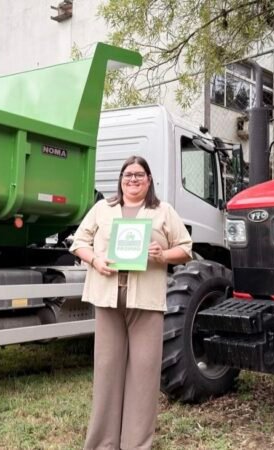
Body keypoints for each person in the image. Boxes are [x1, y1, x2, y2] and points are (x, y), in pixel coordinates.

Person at [70, 155, 193, 450]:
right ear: (121, 179)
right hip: (108, 297)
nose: (133, 180)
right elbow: (79, 242)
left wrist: (162, 255)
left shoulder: (163, 211)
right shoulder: (103, 209)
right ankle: (102, 443)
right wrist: (97, 261)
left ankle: (136, 444)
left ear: (149, 180)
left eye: (139, 175)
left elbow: (186, 248)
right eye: (128, 175)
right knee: (107, 369)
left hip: (146, 300)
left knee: (144, 372)